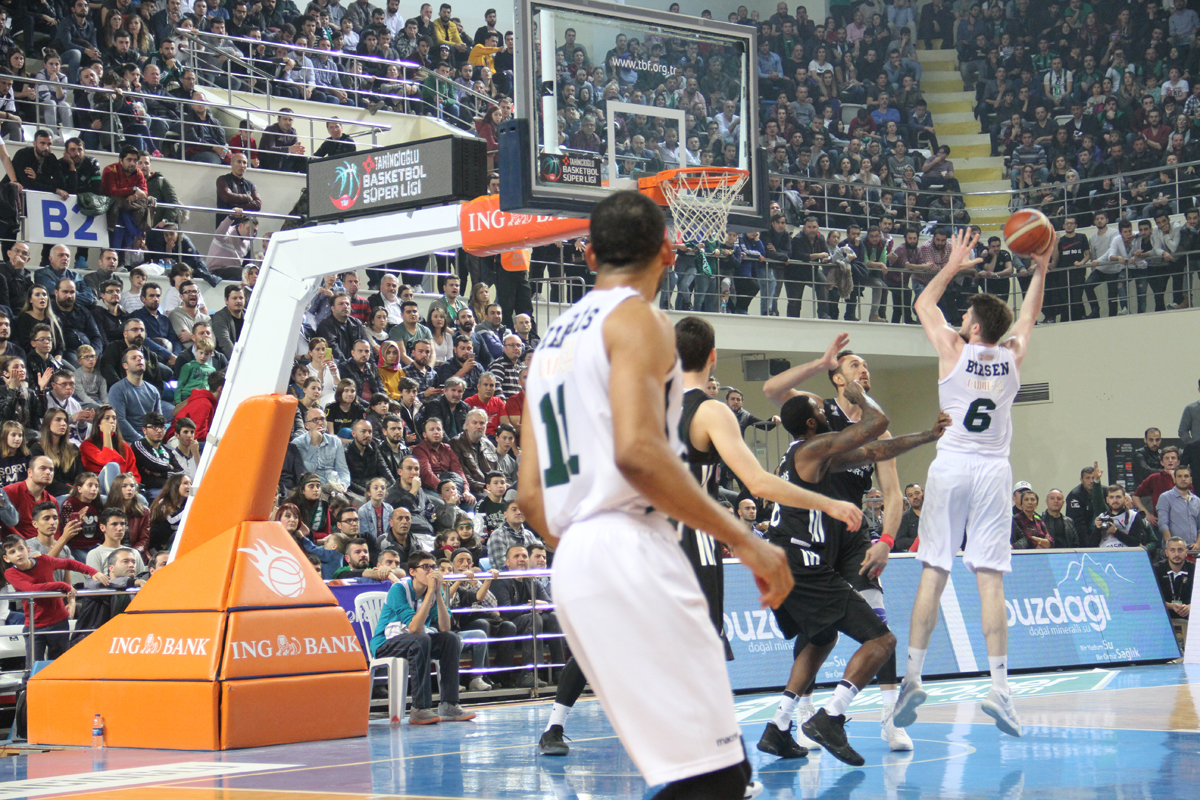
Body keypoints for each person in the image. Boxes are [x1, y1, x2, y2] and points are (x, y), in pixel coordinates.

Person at [518, 192, 791, 799]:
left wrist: (590, 548)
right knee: (714, 775)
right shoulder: (638, 318)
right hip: (629, 543)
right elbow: (638, 453)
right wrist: (746, 540)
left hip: (575, 562)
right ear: (670, 250)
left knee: (704, 773)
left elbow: (530, 498)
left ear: (589, 254)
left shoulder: (546, 347)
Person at [894, 230, 1051, 740]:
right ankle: (1001, 690)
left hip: (952, 464)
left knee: (934, 571)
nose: (959, 320)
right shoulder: (1013, 356)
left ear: (975, 325)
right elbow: (1027, 318)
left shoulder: (953, 349)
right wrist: (1041, 270)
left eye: (966, 318)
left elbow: (923, 303)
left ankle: (913, 677)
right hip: (993, 471)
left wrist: (953, 265)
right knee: (990, 580)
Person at [369, 550, 477, 724]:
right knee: (421, 640)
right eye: (426, 567)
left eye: (433, 567)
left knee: (451, 639)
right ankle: (420, 708)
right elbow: (414, 627)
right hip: (385, 643)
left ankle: (449, 704)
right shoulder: (399, 589)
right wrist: (429, 595)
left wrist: (438, 596)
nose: (431, 572)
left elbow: (444, 627)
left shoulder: (433, 590)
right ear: (412, 571)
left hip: (415, 641)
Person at [3, 533, 107, 659]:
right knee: (33, 667)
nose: (18, 554)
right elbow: (31, 589)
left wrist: (93, 571)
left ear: (28, 550)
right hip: (34, 625)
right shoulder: (10, 573)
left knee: (59, 664)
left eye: (21, 549)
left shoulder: (44, 561)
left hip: (59, 622)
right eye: (12, 552)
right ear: (6, 558)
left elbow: (69, 563)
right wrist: (61, 585)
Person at [1157, 465, 1200, 549]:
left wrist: (1198, 544)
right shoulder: (1165, 497)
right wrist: (1171, 545)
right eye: (1179, 476)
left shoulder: (1197, 500)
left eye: (1186, 476)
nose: (1183, 479)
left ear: (1191, 479)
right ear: (1174, 479)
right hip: (1174, 550)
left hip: (1194, 549)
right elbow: (1163, 524)